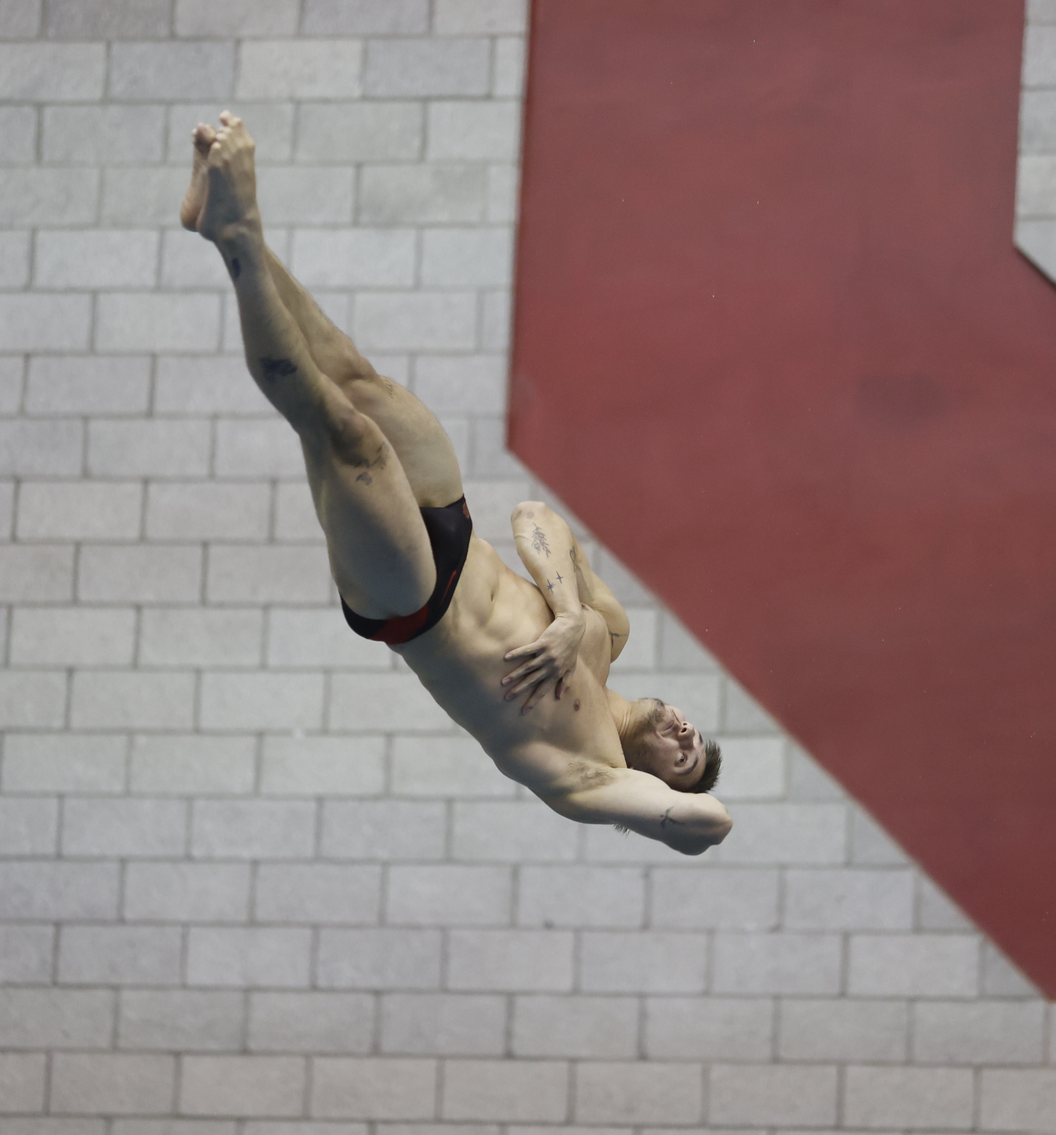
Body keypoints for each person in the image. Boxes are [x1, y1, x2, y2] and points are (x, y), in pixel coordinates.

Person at [181, 111, 731, 856]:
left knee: (345, 433)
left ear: (657, 782)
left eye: (685, 757)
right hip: (456, 527)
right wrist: (569, 615)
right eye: (697, 736)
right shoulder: (607, 635)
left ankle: (239, 235)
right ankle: (224, 228)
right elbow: (538, 516)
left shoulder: (586, 775)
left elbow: (709, 825)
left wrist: (664, 800)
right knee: (355, 374)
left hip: (414, 602)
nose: (685, 733)